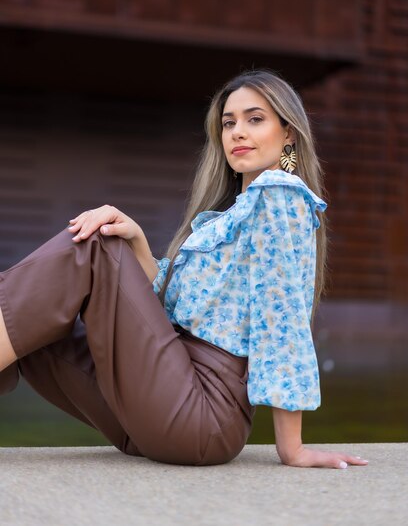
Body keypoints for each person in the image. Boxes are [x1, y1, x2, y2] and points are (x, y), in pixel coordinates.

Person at [0, 69, 368, 469]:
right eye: (229, 123)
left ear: (289, 133)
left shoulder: (279, 198)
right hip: (161, 409)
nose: (237, 132)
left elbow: (280, 322)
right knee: (35, 324)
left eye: (255, 119)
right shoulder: (229, 216)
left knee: (95, 244)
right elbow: (173, 309)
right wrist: (138, 240)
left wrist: (291, 449)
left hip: (200, 413)